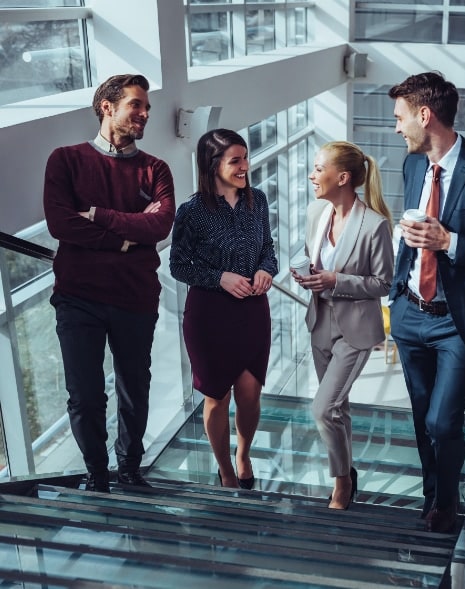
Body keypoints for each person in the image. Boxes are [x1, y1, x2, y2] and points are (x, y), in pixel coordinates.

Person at [43, 74, 175, 493]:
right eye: (136, 105)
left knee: (134, 388)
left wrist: (98, 215)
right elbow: (60, 223)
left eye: (146, 107)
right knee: (85, 394)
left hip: (135, 298)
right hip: (77, 298)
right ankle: (96, 475)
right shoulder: (65, 160)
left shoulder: (155, 168)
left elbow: (161, 224)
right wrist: (126, 240)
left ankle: (130, 470)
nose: (145, 114)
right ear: (107, 106)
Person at [388, 72, 465, 532]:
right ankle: (433, 497)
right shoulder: (413, 165)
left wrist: (450, 241)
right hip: (410, 313)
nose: (396, 128)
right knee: (421, 419)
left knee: (442, 422)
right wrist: (398, 286)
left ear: (424, 115)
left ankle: (449, 499)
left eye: (400, 118)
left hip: (456, 322)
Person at [169, 128, 278, 489]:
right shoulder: (191, 212)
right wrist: (220, 278)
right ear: (212, 164)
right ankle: (225, 469)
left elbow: (268, 249)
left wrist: (266, 269)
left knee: (249, 394)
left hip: (252, 311)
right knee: (217, 396)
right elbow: (179, 266)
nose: (245, 166)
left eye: (245, 158)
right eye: (236, 160)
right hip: (209, 316)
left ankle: (243, 453)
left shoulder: (257, 201)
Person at [291, 141, 394, 509]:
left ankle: (342, 483)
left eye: (319, 169)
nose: (312, 175)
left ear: (343, 177)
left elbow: (383, 283)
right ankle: (347, 471)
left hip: (355, 330)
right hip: (320, 322)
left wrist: (336, 280)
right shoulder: (315, 212)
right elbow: (311, 256)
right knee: (338, 407)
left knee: (322, 409)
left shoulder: (375, 225)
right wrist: (307, 274)